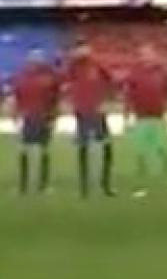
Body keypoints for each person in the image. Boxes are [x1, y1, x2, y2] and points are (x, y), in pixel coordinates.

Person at [124, 43, 167, 198]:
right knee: (141, 153)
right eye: (143, 54)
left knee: (165, 151)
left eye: (149, 54)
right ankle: (141, 186)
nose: (146, 56)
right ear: (140, 57)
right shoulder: (134, 74)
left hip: (158, 118)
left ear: (155, 55)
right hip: (141, 118)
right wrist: (127, 117)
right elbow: (128, 96)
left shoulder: (163, 72)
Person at [65, 42, 116, 197]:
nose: (82, 51)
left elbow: (110, 81)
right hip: (82, 112)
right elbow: (66, 84)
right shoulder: (72, 67)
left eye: (84, 47)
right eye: (79, 48)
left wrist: (106, 101)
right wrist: (72, 102)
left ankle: (105, 184)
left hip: (98, 111)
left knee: (106, 146)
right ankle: (84, 186)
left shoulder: (97, 64)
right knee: (83, 147)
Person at [11, 50, 62, 194]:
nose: (36, 61)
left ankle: (44, 184)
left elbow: (55, 98)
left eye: (38, 59)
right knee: (24, 149)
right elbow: (17, 97)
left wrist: (54, 116)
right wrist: (16, 114)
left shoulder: (50, 77)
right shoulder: (21, 77)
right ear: (29, 61)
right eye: (33, 59)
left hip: (44, 117)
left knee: (44, 150)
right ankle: (23, 185)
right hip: (28, 117)